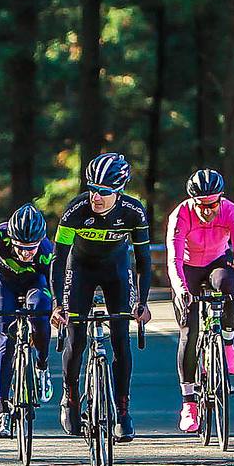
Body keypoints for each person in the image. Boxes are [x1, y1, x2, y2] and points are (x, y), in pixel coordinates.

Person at [50, 152, 153, 442]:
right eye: (92, 188)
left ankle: (122, 411)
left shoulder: (133, 212)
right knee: (76, 338)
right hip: (80, 269)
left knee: (121, 339)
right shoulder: (76, 210)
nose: (96, 197)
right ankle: (70, 397)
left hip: (116, 272)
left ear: (118, 192)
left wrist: (141, 303)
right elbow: (58, 259)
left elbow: (144, 261)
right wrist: (58, 305)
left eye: (104, 192)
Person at [167, 168, 234, 433]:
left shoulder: (232, 211)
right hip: (188, 267)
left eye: (213, 204)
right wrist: (181, 289)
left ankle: (227, 344)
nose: (208, 211)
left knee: (228, 288)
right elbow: (173, 258)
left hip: (217, 260)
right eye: (202, 205)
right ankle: (188, 404)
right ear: (193, 201)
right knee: (190, 333)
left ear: (221, 199)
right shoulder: (180, 215)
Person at [0, 202, 57, 440]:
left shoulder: (45, 248)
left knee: (41, 313)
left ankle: (42, 365)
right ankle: (2, 410)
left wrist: (58, 308)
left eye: (30, 248)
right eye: (21, 247)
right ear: (11, 239)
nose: (25, 253)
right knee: (6, 338)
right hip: (4, 284)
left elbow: (54, 283)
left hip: (36, 283)